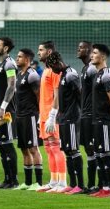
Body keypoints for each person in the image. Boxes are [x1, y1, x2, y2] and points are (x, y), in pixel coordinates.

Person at [46, 51, 85, 194]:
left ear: (58, 63)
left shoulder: (71, 74)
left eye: (52, 66)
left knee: (74, 150)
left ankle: (80, 185)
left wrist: (83, 114)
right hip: (63, 118)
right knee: (67, 151)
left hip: (72, 118)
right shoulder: (62, 75)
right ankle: (72, 183)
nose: (52, 70)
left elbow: (80, 95)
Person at [89, 43, 110, 198]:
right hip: (97, 120)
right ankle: (104, 187)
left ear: (103, 57)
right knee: (99, 154)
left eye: (94, 53)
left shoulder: (107, 74)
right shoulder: (97, 74)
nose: (92, 55)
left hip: (104, 120)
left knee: (106, 154)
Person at [0, 37, 20, 189]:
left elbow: (12, 85)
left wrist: (2, 107)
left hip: (7, 111)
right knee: (1, 144)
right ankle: (7, 179)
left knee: (7, 144)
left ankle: (13, 180)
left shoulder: (9, 63)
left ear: (6, 48)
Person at [38, 41, 67, 192]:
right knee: (49, 148)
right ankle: (53, 181)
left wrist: (52, 116)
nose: (38, 53)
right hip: (43, 114)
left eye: (41, 50)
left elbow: (57, 94)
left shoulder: (56, 70)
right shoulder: (45, 70)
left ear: (49, 52)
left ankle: (62, 182)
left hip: (52, 116)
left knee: (56, 147)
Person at [13, 48, 41, 191]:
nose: (17, 59)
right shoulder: (19, 74)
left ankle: (39, 183)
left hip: (30, 116)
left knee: (33, 148)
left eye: (19, 57)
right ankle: (28, 182)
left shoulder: (32, 75)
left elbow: (39, 96)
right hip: (20, 116)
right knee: (24, 149)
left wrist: (38, 115)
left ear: (27, 59)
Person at [77, 41, 100, 194]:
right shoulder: (85, 68)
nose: (78, 50)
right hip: (85, 114)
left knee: (94, 149)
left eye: (81, 48)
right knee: (88, 149)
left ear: (89, 50)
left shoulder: (92, 69)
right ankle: (91, 185)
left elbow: (98, 91)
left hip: (92, 114)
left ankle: (101, 185)